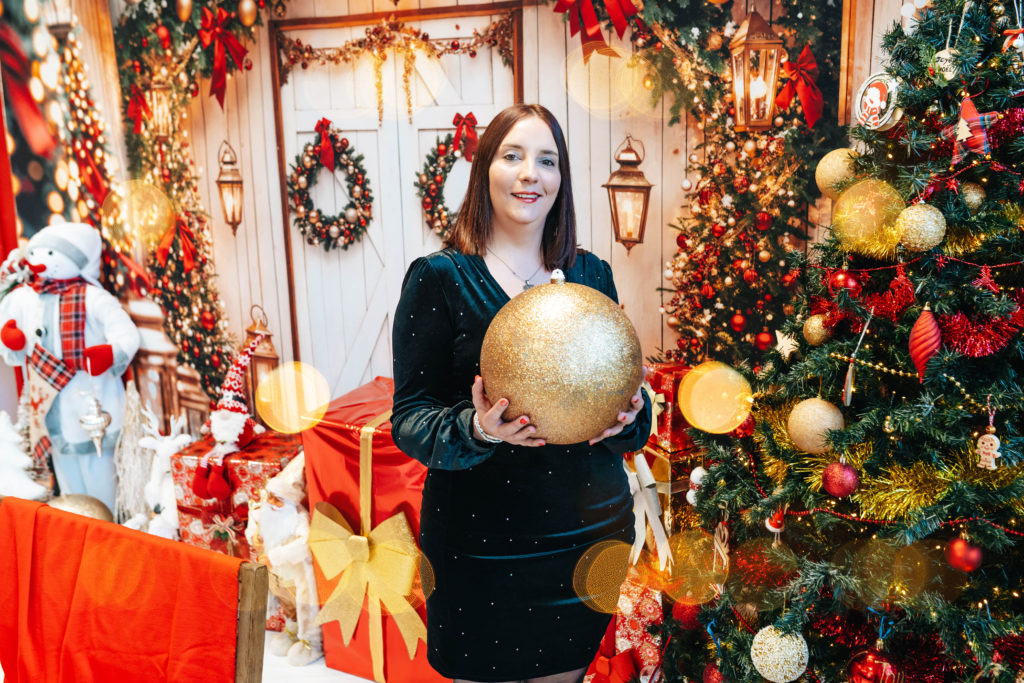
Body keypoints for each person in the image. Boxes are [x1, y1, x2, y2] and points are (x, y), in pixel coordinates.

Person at [391, 103, 651, 683]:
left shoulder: (591, 274)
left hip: (588, 537)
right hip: (479, 546)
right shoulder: (439, 278)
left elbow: (632, 409)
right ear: (485, 168)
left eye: (547, 160)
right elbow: (408, 418)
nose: (531, 173)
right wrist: (477, 429)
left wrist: (631, 416)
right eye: (513, 156)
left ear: (561, 178)